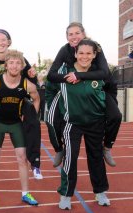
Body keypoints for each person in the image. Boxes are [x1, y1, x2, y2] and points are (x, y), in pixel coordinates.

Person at [46, 22, 121, 168]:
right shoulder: (65, 50)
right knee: (51, 119)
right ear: (67, 37)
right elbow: (51, 75)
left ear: (84, 33)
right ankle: (59, 149)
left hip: (103, 87)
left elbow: (104, 73)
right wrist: (69, 78)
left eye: (77, 33)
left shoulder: (95, 47)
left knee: (115, 116)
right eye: (70, 34)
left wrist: (78, 75)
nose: (74, 37)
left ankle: (107, 147)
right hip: (74, 87)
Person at [46, 39, 110, 210]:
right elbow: (49, 79)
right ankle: (66, 194)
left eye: (89, 53)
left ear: (95, 55)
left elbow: (110, 88)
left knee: (96, 157)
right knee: (70, 159)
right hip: (72, 123)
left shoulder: (99, 73)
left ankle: (100, 192)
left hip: (95, 122)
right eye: (81, 53)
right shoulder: (64, 71)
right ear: (75, 53)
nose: (84, 56)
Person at [0, 29, 43, 179]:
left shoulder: (20, 59)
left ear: (9, 42)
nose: (0, 43)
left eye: (3, 40)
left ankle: (35, 164)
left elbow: (31, 85)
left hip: (18, 99)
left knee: (34, 123)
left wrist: (33, 77)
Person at [0, 49, 40, 208]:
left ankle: (25, 193)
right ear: (6, 65)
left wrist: (31, 118)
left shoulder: (27, 84)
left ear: (22, 66)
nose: (14, 66)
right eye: (11, 63)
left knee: (22, 158)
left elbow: (36, 98)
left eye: (18, 63)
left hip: (16, 124)